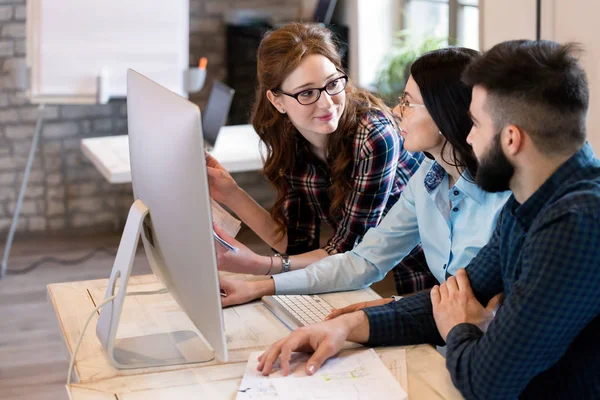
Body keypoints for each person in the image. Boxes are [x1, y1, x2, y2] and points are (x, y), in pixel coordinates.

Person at [256, 40, 600, 399]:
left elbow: (487, 381)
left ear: (511, 139)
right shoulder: (528, 202)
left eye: (476, 125)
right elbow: (453, 296)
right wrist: (345, 327)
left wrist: (457, 327)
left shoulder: (576, 226)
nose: (467, 136)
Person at [220, 47, 510, 308]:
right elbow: (362, 260)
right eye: (307, 93)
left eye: (408, 102)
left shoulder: (507, 201)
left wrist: (376, 312)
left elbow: (481, 307)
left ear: (445, 112)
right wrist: (262, 286)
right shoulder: (427, 179)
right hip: (441, 324)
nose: (396, 112)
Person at [207, 22, 430, 294]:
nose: (326, 103)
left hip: (426, 270)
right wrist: (231, 193)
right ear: (277, 101)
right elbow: (298, 244)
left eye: (333, 84)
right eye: (307, 93)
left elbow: (345, 252)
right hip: (365, 270)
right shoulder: (290, 136)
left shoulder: (374, 136)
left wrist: (260, 267)